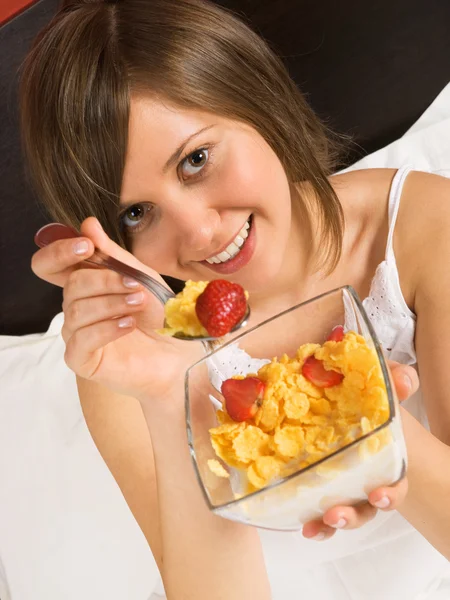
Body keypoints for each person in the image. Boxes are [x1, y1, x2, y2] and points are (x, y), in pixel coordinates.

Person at [20, 0, 450, 598]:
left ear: (257, 102)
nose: (197, 233)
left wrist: (367, 426)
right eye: (137, 213)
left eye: (196, 160)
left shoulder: (422, 224)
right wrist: (172, 395)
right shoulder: (131, 354)